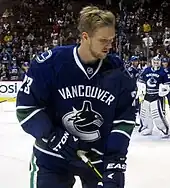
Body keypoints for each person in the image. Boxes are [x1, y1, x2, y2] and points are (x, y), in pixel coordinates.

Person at [16, 5, 136, 188]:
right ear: (85, 37)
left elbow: (124, 119)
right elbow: (26, 108)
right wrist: (53, 136)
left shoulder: (118, 72)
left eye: (112, 40)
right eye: (103, 40)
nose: (110, 46)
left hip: (98, 159)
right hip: (53, 157)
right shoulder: (50, 64)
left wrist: (115, 163)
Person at [138, 56, 170, 137]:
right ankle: (147, 128)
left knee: (157, 115)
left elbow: (167, 85)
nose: (156, 63)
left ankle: (165, 130)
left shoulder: (163, 72)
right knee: (144, 113)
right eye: (154, 62)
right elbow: (140, 80)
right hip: (147, 95)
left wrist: (163, 89)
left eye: (157, 62)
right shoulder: (147, 70)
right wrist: (141, 88)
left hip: (157, 96)